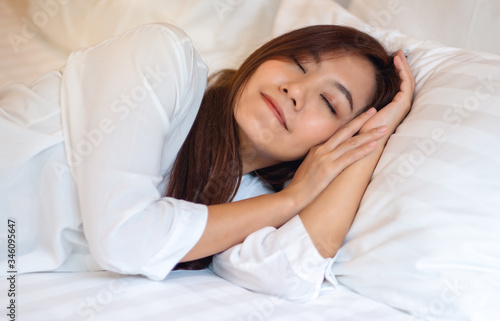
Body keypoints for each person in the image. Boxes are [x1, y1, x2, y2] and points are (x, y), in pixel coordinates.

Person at [0, 23, 414, 301]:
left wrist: (372, 140)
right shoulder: (161, 59)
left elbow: (285, 270)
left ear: (338, 139)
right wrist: (294, 199)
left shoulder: (242, 197)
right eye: (298, 63)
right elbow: (122, 237)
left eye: (328, 102)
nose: (295, 89)